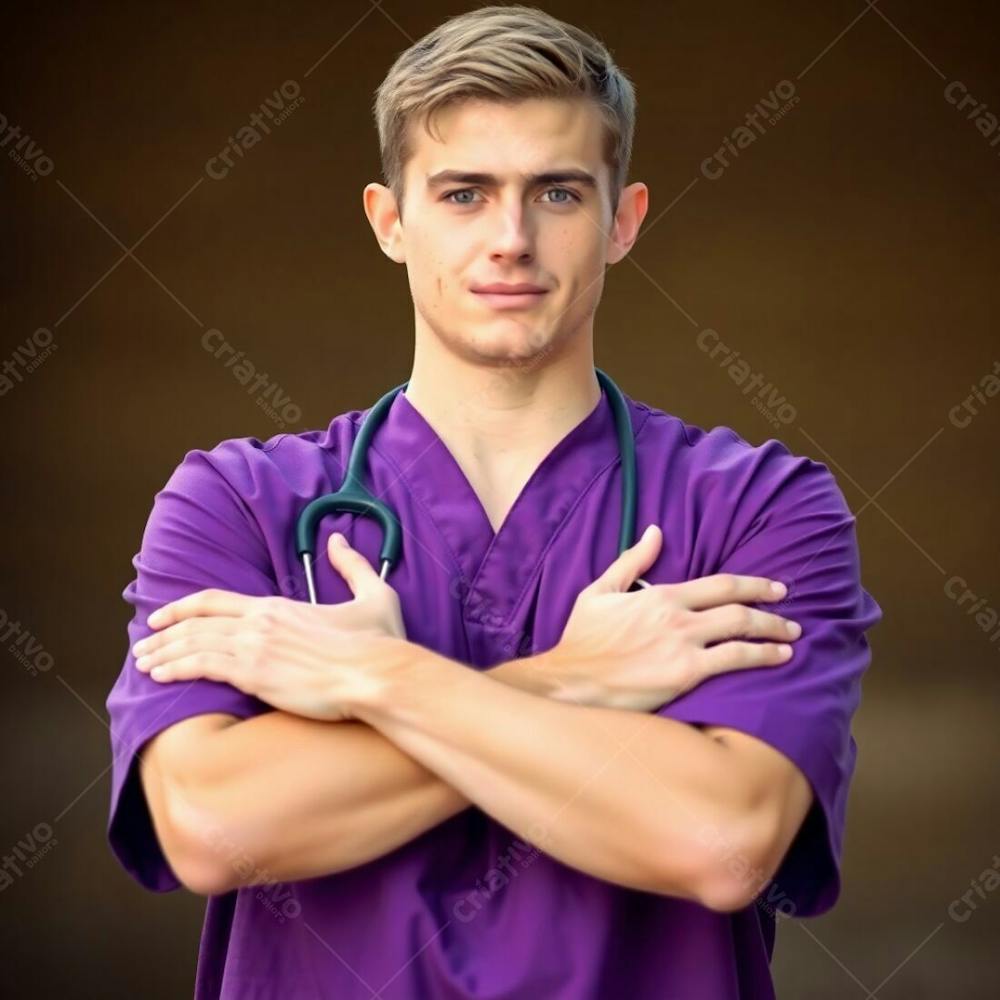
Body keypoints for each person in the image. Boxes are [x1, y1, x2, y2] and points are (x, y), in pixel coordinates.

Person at [105, 5, 882, 998]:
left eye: (556, 192)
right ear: (390, 221)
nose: (510, 239)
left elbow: (722, 839)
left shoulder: (762, 506)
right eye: (464, 193)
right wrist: (573, 678)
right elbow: (212, 827)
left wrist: (374, 680)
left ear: (623, 219)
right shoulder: (238, 503)